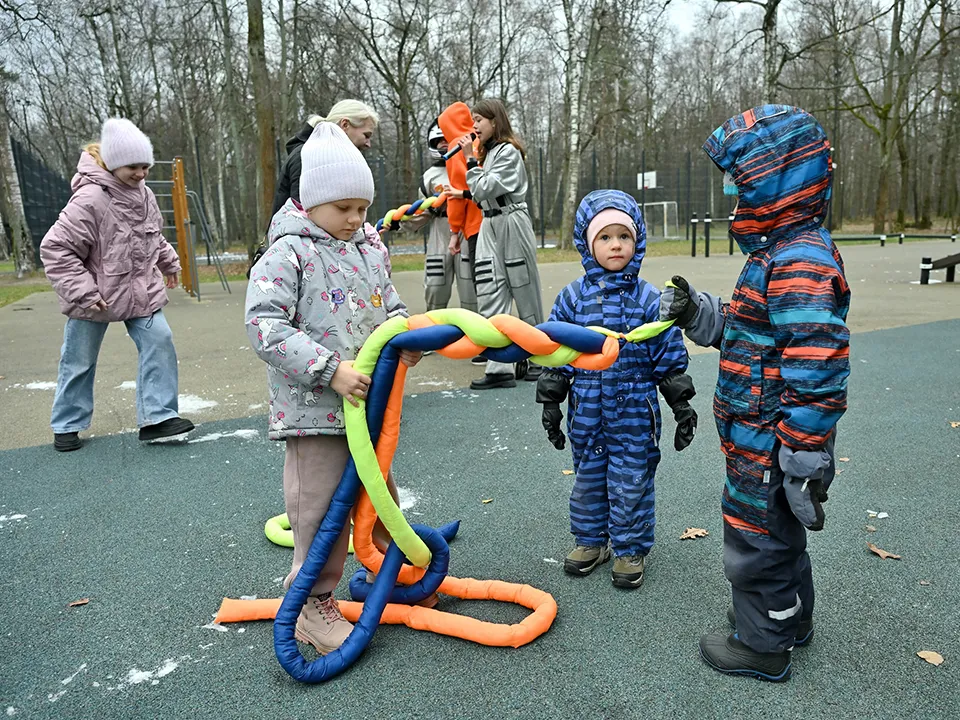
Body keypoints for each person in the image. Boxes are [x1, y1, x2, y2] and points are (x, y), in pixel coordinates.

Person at [659, 105, 850, 681]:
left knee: (755, 537)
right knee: (778, 532)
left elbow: (818, 366)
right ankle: (789, 618)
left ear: (775, 182)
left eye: (741, 181)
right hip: (763, 433)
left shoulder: (797, 261)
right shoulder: (778, 253)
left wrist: (800, 454)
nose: (731, 193)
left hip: (773, 440)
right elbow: (747, 331)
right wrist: (697, 312)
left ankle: (761, 644)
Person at [245, 122, 421, 655]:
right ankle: (312, 605)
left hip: (368, 410)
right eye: (342, 207)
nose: (355, 218)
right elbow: (265, 327)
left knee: (380, 499)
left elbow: (390, 307)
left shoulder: (370, 250)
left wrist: (406, 336)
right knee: (321, 512)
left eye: (362, 208)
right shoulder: (288, 254)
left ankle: (398, 580)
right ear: (311, 201)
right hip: (314, 413)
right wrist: (330, 369)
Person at [536, 190, 697, 589]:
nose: (615, 245)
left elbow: (667, 353)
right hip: (588, 407)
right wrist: (552, 401)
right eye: (604, 237)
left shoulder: (648, 299)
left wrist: (681, 404)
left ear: (637, 241)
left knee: (631, 479)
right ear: (588, 244)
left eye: (623, 236)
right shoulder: (572, 299)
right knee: (588, 476)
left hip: (635, 410)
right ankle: (592, 541)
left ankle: (629, 547)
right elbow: (556, 351)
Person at [40, 118, 195, 452]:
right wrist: (83, 291)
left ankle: (157, 417)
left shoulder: (145, 195)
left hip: (139, 289)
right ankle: (67, 423)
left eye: (144, 166)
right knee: (79, 359)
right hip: (95, 294)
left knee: (160, 340)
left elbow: (152, 234)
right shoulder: (90, 200)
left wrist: (168, 262)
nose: (140, 174)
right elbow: (55, 248)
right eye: (132, 167)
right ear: (112, 163)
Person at [448, 98, 544, 388]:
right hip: (489, 223)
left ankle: (538, 357)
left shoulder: (508, 151)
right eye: (473, 120)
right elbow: (479, 193)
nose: (474, 126)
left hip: (511, 221)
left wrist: (467, 160)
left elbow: (484, 187)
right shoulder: (487, 154)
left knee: (523, 286)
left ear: (495, 122)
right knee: (490, 289)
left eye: (479, 120)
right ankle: (499, 366)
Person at [406, 118, 477, 313]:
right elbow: (423, 210)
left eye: (447, 139)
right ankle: (434, 328)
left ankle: (476, 330)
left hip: (467, 229)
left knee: (470, 285)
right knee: (436, 286)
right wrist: (401, 224)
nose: (444, 144)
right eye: (439, 141)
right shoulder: (430, 176)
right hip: (440, 230)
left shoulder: (471, 166)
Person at [271, 100, 380, 216]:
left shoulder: (329, 160)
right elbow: (303, 217)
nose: (368, 144)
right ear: (345, 125)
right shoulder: (307, 158)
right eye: (366, 135)